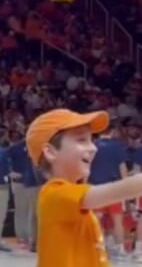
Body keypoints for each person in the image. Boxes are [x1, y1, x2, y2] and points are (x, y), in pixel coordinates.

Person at [25, 108, 142, 267]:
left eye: (91, 140)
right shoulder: (54, 193)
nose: (94, 148)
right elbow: (122, 189)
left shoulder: (72, 194)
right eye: (81, 140)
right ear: (50, 152)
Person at [88, 123, 128, 258]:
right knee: (117, 220)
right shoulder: (117, 146)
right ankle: (121, 250)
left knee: (97, 220)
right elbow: (122, 168)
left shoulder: (92, 146)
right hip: (115, 187)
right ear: (113, 132)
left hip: (96, 188)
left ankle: (99, 249)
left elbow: (86, 168)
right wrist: (126, 188)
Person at [6, 131, 30, 247]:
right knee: (21, 210)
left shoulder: (37, 147)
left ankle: (31, 235)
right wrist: (10, 173)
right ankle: (21, 236)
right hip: (19, 183)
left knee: (31, 211)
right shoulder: (15, 148)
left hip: (32, 183)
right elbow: (5, 161)